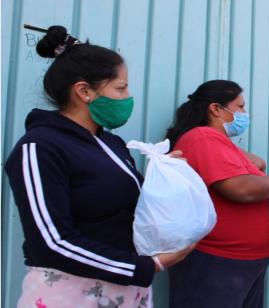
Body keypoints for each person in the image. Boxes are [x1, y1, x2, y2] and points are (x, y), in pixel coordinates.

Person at [5, 25, 193, 308]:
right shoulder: (40, 147)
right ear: (84, 91)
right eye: (121, 88)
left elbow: (129, 209)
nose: (128, 97)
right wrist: (145, 267)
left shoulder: (112, 144)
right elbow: (52, 241)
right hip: (71, 294)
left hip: (127, 291)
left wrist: (166, 176)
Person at [165, 80, 269, 308]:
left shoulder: (216, 141)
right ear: (216, 109)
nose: (245, 113)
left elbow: (255, 164)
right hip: (216, 261)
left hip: (241, 262)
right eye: (240, 107)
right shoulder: (201, 137)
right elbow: (239, 188)